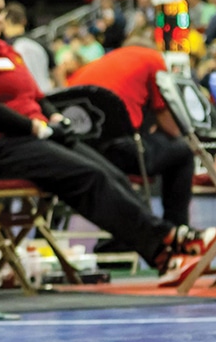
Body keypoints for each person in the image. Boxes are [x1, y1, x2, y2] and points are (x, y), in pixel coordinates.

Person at [0, 0, 216, 285]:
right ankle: (167, 242)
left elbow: (37, 97)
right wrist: (38, 128)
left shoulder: (4, 50)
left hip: (30, 137)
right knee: (88, 177)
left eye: (0, 11)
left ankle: (165, 251)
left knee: (110, 173)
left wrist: (55, 118)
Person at [65, 40, 195, 230]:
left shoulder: (98, 63)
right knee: (182, 151)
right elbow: (171, 127)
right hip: (116, 152)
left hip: (74, 153)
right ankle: (177, 231)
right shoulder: (153, 58)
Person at [3, 2, 53, 93]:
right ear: (24, 21)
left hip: (25, 97)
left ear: (4, 22)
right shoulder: (40, 43)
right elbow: (56, 70)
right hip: (47, 93)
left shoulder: (5, 49)